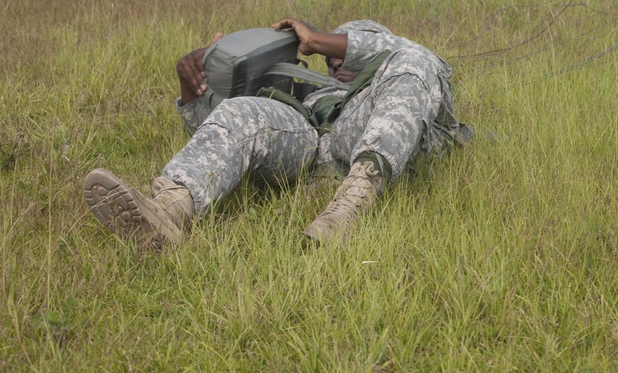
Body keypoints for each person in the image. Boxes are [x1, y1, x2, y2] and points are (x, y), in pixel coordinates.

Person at [82, 18, 472, 250]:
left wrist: (318, 40)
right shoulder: (312, 86)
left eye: (347, 56)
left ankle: (351, 206)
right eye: (331, 62)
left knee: (415, 61)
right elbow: (213, 132)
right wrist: (197, 78)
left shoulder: (405, 74)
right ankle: (168, 210)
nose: (336, 65)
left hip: (363, 144)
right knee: (240, 110)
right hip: (310, 143)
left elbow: (421, 59)